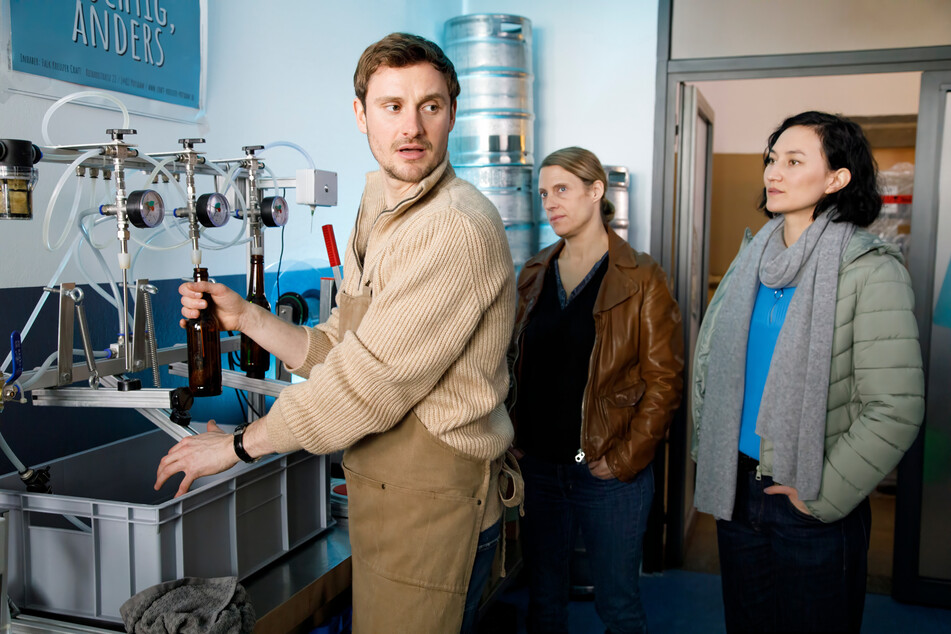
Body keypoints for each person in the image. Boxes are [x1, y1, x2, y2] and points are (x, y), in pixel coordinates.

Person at [154, 33, 518, 634]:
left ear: (453, 112)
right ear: (361, 114)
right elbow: (336, 349)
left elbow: (363, 385)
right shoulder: (380, 202)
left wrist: (238, 446)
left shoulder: (455, 227)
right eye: (391, 105)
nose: (412, 128)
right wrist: (246, 318)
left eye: (430, 105)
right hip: (385, 493)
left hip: (434, 510)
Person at [692, 111, 925, 633]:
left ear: (836, 178)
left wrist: (822, 495)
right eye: (772, 159)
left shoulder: (870, 269)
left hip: (812, 493)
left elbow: (896, 407)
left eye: (794, 161)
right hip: (738, 487)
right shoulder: (751, 257)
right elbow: (712, 366)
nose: (773, 172)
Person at [509, 147, 684, 633]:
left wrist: (627, 457)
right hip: (540, 469)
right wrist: (513, 434)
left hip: (607, 472)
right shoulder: (534, 273)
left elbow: (665, 380)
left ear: (596, 191)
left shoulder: (640, 275)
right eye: (544, 194)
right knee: (544, 602)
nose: (550, 203)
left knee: (619, 607)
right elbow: (513, 364)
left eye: (562, 189)